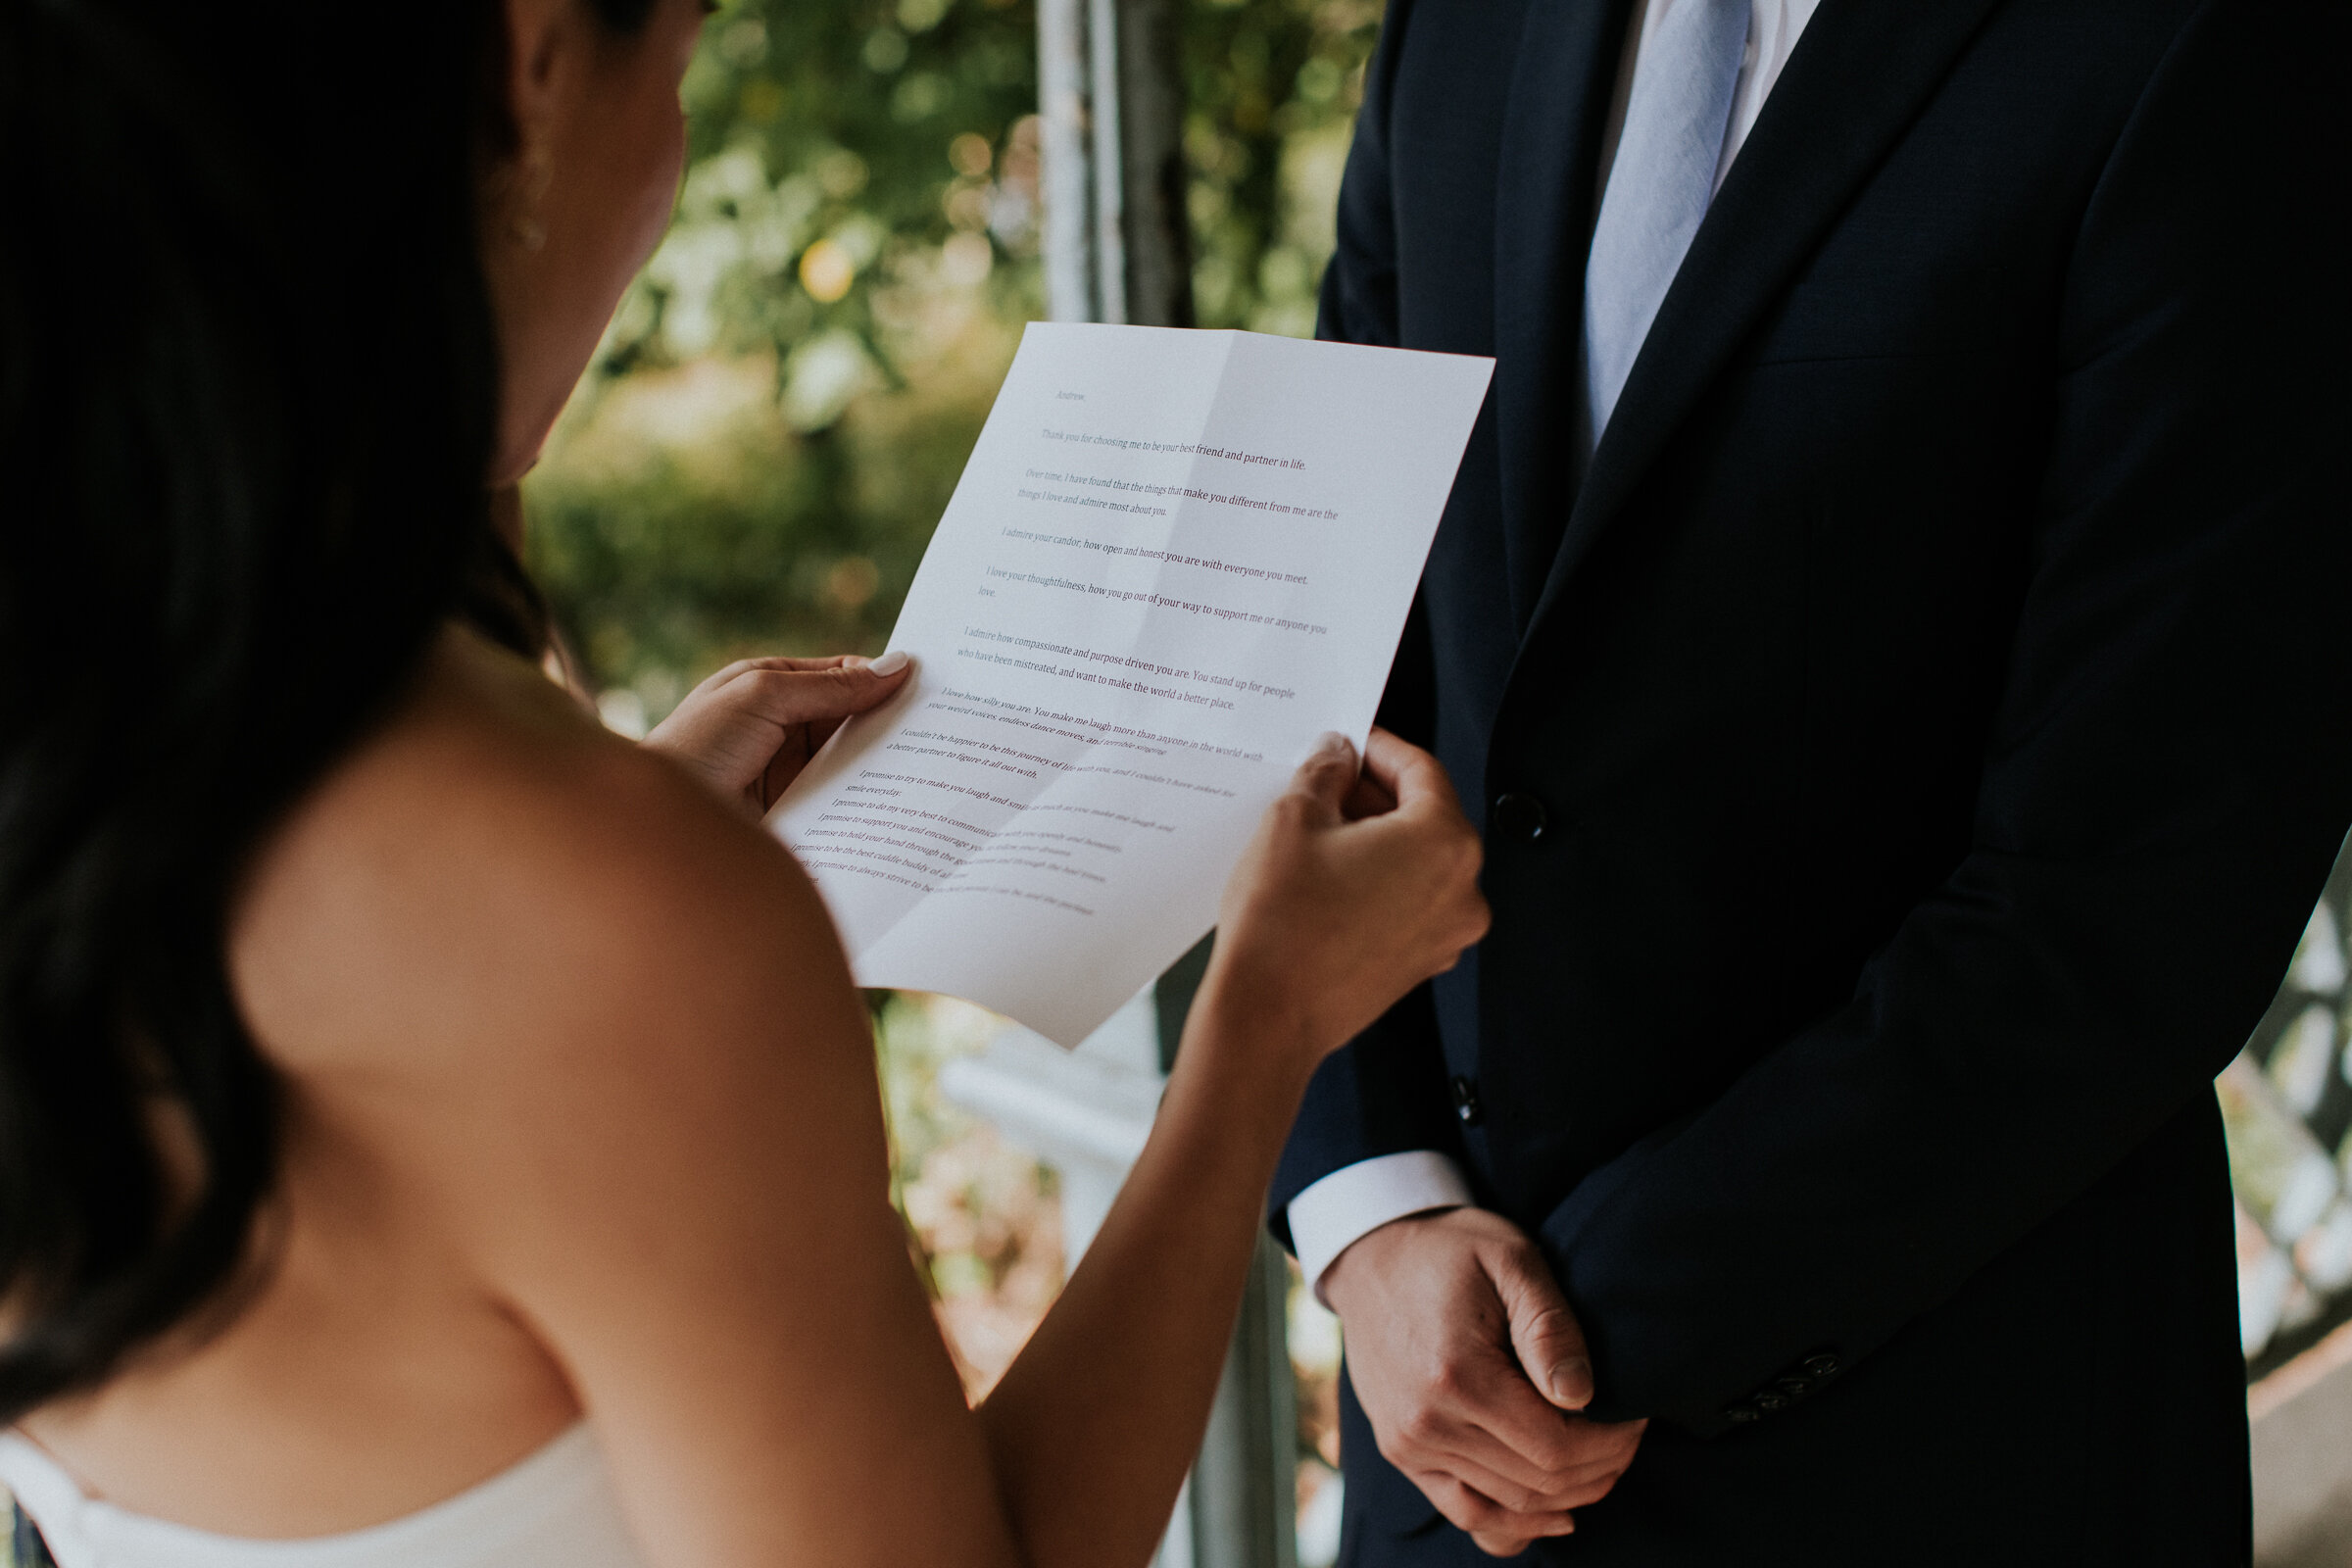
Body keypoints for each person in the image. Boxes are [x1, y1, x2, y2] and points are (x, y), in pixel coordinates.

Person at [0, 2, 1493, 1566]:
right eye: (688, 52)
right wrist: (1258, 1028)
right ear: (530, 60)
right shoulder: (613, 923)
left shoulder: (92, 733)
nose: (680, 149)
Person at [1272, 0, 2348, 1561]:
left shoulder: (2202, 47)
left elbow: (2139, 883)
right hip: (1440, 1437)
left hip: (1952, 1442)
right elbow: (1323, 666)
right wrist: (1372, 1209)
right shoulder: (1461, 24)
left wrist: (1577, 1328)